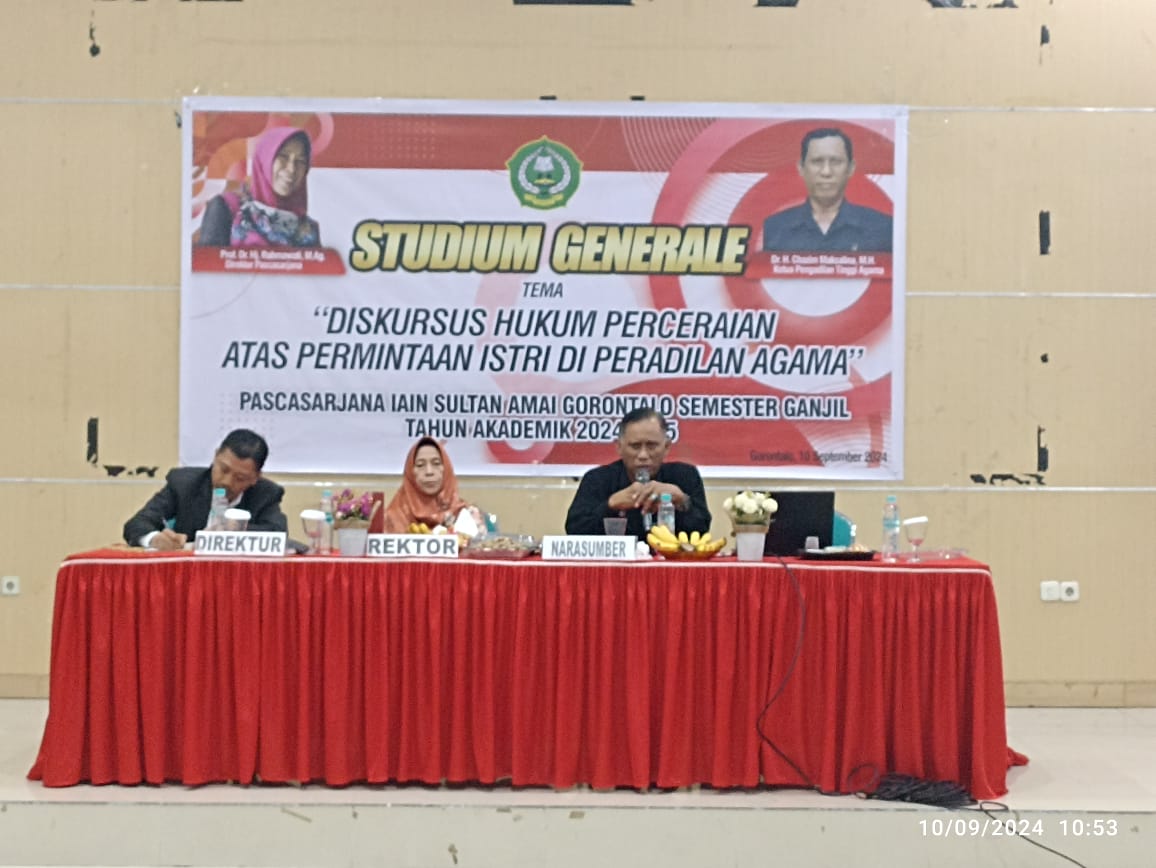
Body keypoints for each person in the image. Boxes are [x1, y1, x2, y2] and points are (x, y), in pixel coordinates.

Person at [123, 429, 288, 550]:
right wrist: (154, 539)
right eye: (223, 469)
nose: (227, 482)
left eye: (240, 478)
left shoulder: (265, 494)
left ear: (255, 478)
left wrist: (236, 529)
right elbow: (137, 524)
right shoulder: (184, 484)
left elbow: (278, 534)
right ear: (215, 457)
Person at [565, 407, 711, 538]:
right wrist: (610, 505)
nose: (643, 455)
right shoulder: (598, 479)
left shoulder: (685, 476)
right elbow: (574, 530)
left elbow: (702, 530)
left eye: (651, 446)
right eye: (635, 446)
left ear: (666, 447)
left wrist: (682, 501)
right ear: (619, 447)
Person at [762, 127, 892, 253]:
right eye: (817, 161)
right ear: (801, 168)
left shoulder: (882, 228)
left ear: (851, 168)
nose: (826, 172)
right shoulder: (775, 227)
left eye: (835, 161)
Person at [197, 126, 321, 248]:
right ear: (265, 159)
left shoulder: (308, 230)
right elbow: (207, 261)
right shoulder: (225, 208)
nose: (292, 169)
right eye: (283, 156)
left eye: (300, 161)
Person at [382, 437, 480, 533]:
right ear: (410, 472)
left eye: (436, 463)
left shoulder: (465, 515)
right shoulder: (393, 517)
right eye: (420, 465)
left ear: (446, 468)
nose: (429, 472)